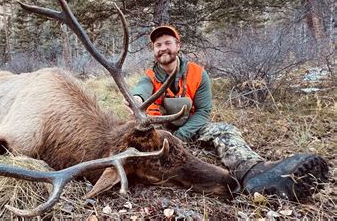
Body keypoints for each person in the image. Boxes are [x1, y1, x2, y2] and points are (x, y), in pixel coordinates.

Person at [127, 25, 329, 201]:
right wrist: (136, 100)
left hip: (191, 128)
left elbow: (204, 111)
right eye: (158, 45)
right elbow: (141, 90)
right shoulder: (149, 76)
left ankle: (253, 172)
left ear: (178, 45)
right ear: (153, 50)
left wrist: (181, 137)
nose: (163, 48)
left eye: (167, 43)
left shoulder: (197, 73)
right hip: (161, 133)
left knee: (225, 130)